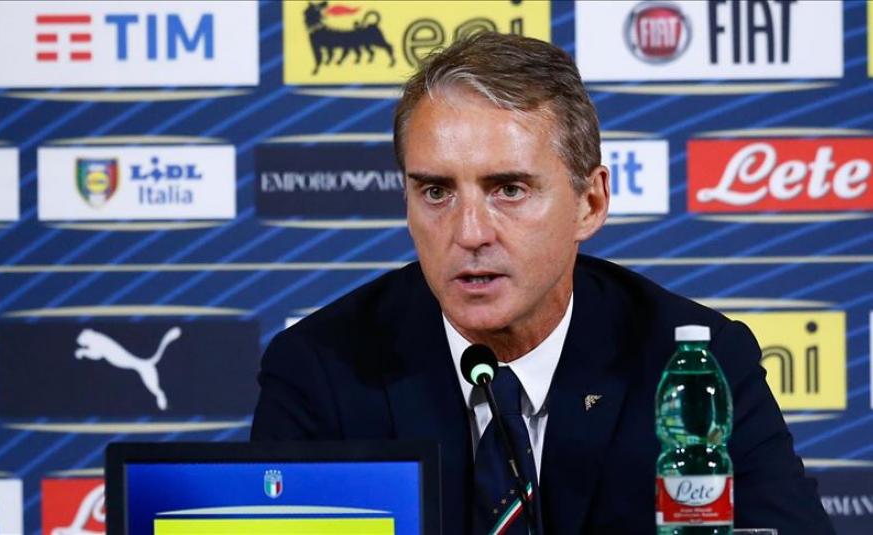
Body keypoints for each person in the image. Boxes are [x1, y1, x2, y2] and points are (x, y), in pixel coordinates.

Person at [251, 32, 833, 534]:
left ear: (590, 203)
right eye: (436, 192)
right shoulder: (321, 370)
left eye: (509, 190)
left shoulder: (690, 366)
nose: (469, 232)